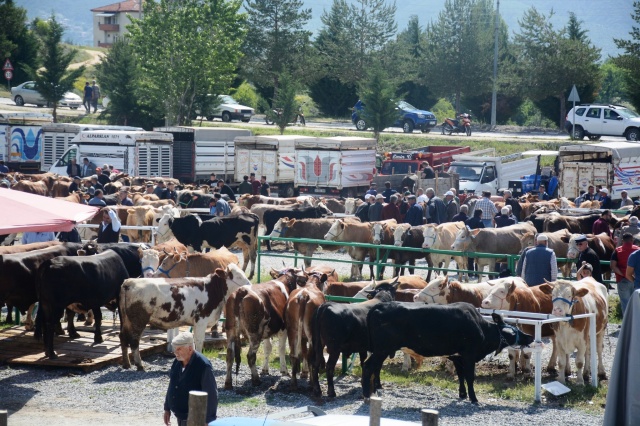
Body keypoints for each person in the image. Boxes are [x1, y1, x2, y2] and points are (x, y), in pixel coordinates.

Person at [164, 331, 217, 426]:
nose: (175, 352)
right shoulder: (177, 362)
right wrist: (167, 408)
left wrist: (208, 420)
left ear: (190, 349)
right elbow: (172, 385)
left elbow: (211, 394)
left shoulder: (203, 366)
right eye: (175, 349)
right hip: (180, 416)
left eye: (179, 349)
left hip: (195, 418)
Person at [612, 233, 639, 315]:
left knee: (625, 302)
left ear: (623, 241)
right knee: (637, 303)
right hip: (636, 279)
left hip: (622, 279)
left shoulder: (617, 250)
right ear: (632, 240)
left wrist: (623, 274)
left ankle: (626, 323)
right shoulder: (637, 250)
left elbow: (613, 266)